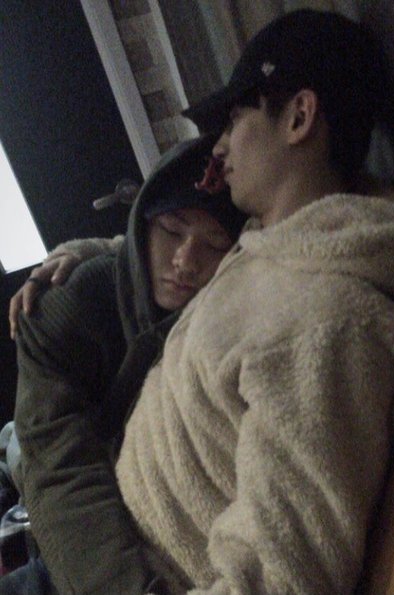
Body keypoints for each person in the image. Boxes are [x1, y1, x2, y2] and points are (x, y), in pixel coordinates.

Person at [14, 8, 394, 594]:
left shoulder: (327, 320)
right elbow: (166, 243)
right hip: (84, 555)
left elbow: (284, 576)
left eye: (237, 117)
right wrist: (86, 251)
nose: (218, 147)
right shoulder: (277, 246)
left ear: (298, 117)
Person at [5, 134, 246, 594]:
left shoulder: (229, 316)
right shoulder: (65, 309)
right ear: (144, 226)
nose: (185, 261)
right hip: (78, 541)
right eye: (171, 231)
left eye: (214, 244)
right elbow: (62, 474)